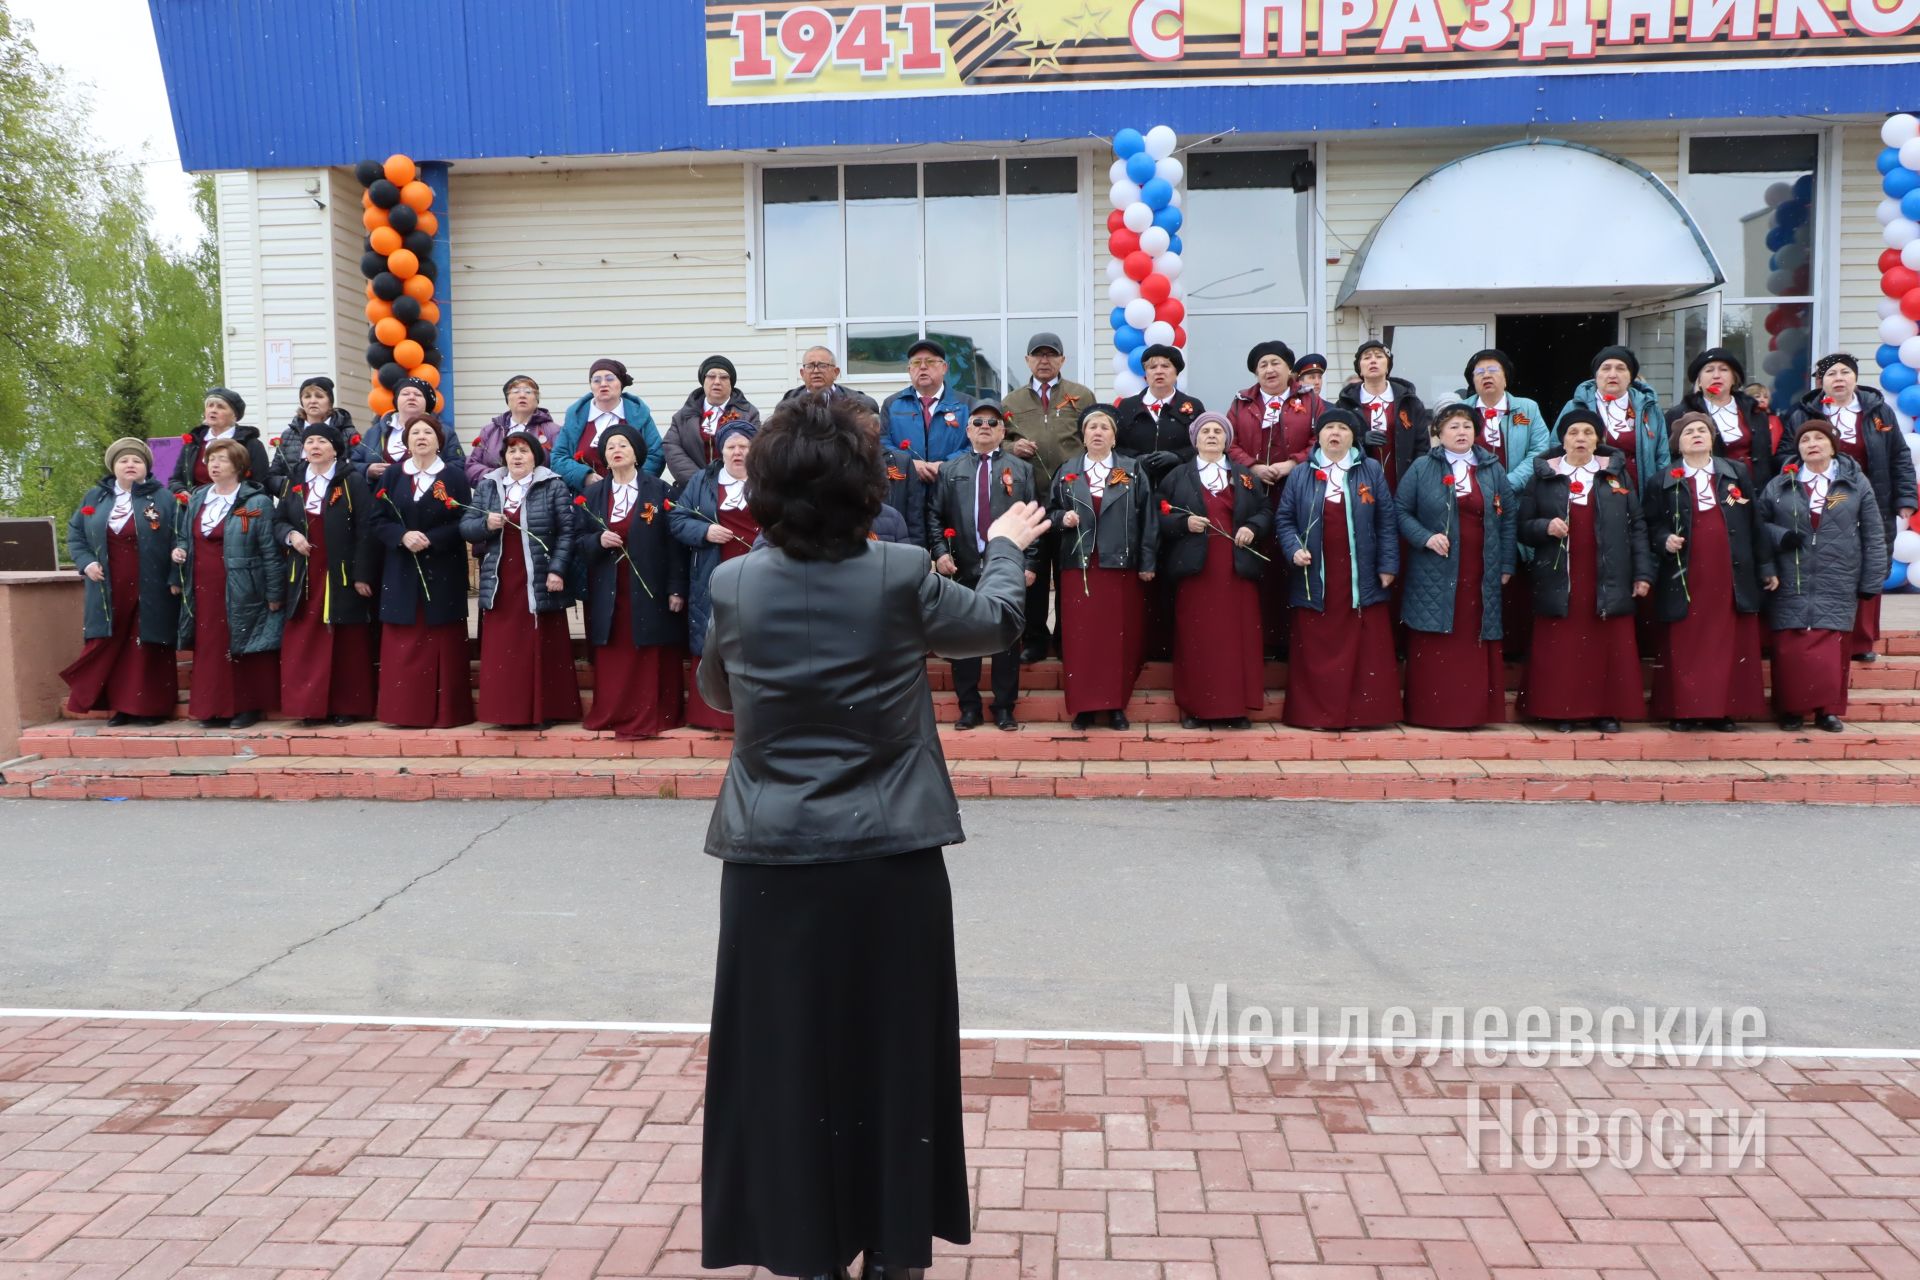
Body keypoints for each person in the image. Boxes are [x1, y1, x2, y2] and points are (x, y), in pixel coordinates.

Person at [696, 391, 1046, 1280]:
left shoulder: (733, 581)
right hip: (890, 856)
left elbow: (721, 696)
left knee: (785, 1062)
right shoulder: (897, 571)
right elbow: (998, 624)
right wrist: (1004, 548)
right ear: (864, 487)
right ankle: (893, 1248)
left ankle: (805, 1247)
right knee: (894, 1059)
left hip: (771, 860)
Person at [1517, 409, 1652, 733]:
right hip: (1560, 575)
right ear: (1562, 439)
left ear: (1598, 440)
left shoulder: (1616, 476)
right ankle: (1561, 709)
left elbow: (1637, 526)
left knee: (1606, 645)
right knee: (1563, 646)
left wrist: (1643, 573)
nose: (1580, 438)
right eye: (1574, 432)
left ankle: (1605, 711)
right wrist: (1544, 526)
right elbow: (1522, 527)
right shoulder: (1545, 475)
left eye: (1588, 433)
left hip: (1607, 574)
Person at [1778, 353, 1918, 663]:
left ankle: (1861, 641)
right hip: (1822, 503)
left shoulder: (1878, 411)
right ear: (1821, 382)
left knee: (1871, 563)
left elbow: (1899, 456)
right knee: (1830, 567)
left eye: (1845, 372)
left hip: (1874, 502)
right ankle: (1830, 636)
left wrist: (1906, 499)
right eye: (1831, 374)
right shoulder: (1803, 414)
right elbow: (1784, 457)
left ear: (1855, 378)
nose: (1838, 378)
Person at [1646, 413, 1776, 731]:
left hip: (1729, 567)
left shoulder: (1734, 473)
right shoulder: (1662, 479)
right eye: (1689, 431)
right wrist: (1665, 539)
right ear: (1678, 442)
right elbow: (1650, 524)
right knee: (1687, 639)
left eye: (1703, 429)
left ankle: (1723, 710)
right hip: (1686, 571)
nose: (1697, 435)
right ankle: (1684, 710)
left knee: (1728, 639)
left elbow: (1752, 521)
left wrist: (1766, 565)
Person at [1275, 408, 1401, 731]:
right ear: (1318, 436)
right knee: (1318, 645)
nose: (1335, 433)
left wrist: (1388, 564)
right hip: (1316, 576)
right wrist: (1293, 549)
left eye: (1342, 429)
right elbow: (1285, 520)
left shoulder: (1370, 470)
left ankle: (1362, 715)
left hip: (1360, 575)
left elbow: (1386, 521)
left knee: (1363, 646)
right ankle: (1316, 716)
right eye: (1329, 428)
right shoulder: (1301, 474)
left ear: (1352, 437)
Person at [1760, 417, 1888, 732]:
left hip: (1838, 574)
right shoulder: (1781, 483)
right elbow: (1757, 524)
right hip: (1792, 573)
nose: (1812, 444)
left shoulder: (1854, 484)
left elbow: (1874, 533)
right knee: (1791, 645)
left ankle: (1826, 711)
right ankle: (1790, 709)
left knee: (1832, 646)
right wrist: (1781, 536)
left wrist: (1872, 579)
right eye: (1805, 440)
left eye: (1819, 438)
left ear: (1833, 445)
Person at [1397, 403, 1517, 730]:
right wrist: (1425, 537)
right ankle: (1432, 712)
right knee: (1437, 634)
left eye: (1466, 425)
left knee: (1472, 633)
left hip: (1481, 567)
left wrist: (1506, 562)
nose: (1461, 432)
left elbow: (1508, 518)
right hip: (1435, 566)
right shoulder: (1423, 467)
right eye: (1452, 427)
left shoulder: (1493, 468)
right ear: (1438, 433)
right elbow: (1401, 511)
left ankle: (1472, 713)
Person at [925, 398, 1039, 730]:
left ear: (1003, 430)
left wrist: (1030, 562)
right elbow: (934, 515)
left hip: (1006, 567)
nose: (985, 428)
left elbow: (1032, 517)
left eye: (992, 422)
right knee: (964, 637)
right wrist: (939, 552)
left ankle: (1004, 706)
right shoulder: (951, 469)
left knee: (1005, 637)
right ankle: (969, 707)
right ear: (967, 430)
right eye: (978, 422)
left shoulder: (1021, 470)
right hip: (962, 565)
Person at [1047, 404, 1157, 731]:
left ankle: (1116, 706)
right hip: (1077, 567)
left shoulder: (1132, 470)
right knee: (1082, 640)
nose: (1097, 432)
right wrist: (1061, 519)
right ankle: (1083, 707)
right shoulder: (1068, 470)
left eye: (1104, 427)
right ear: (1082, 436)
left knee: (1116, 639)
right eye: (1092, 427)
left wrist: (1147, 562)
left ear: (1114, 436)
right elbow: (1049, 512)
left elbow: (1148, 519)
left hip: (1119, 567)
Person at [1158, 412, 1271, 729]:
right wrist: (1184, 522)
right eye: (1205, 431)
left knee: (1238, 638)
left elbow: (1265, 510)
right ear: (1194, 439)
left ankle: (1236, 708)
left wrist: (1252, 526)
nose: (1211, 435)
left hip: (1236, 570)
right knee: (1198, 638)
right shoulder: (1177, 477)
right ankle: (1197, 708)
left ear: (1227, 440)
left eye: (1218, 431)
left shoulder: (1245, 476)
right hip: (1196, 571)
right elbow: (1158, 515)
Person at [463, 429, 582, 730]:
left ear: (535, 456)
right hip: (502, 578)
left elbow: (567, 532)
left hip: (539, 576)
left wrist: (557, 569)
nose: (517, 456)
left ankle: (545, 710)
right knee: (505, 647)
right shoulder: (489, 486)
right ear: (503, 456)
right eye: (511, 450)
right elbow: (466, 528)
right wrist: (485, 524)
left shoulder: (552, 485)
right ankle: (506, 713)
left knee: (541, 642)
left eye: (523, 450)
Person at [60, 438, 180, 726]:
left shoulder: (163, 499)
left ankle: (151, 709)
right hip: (107, 587)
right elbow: (76, 534)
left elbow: (180, 537)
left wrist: (175, 576)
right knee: (113, 643)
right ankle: (121, 708)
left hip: (150, 585)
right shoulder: (95, 498)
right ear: (113, 466)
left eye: (137, 461)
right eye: (124, 460)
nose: (130, 465)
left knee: (145, 645)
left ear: (146, 468)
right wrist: (87, 563)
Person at [579, 423, 687, 740]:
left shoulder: (659, 491)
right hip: (609, 588)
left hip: (650, 587)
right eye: (610, 446)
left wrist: (676, 587)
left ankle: (654, 713)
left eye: (623, 444)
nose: (616, 450)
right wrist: (598, 541)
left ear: (636, 454)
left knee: (650, 648)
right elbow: (577, 542)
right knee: (617, 649)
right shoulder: (592, 495)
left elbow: (675, 545)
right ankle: (614, 712)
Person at [369, 414, 475, 729]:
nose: (421, 437)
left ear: (439, 440)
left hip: (443, 568)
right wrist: (401, 536)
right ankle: (404, 712)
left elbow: (465, 521)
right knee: (404, 642)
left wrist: (434, 539)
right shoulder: (392, 475)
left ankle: (446, 713)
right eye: (415, 432)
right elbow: (377, 519)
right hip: (402, 570)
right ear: (405, 439)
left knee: (441, 640)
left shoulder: (455, 476)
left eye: (428, 432)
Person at [173, 438, 284, 729]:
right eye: (211, 460)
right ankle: (211, 708)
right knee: (209, 646)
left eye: (222, 459)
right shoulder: (198, 497)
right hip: (202, 585)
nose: (214, 465)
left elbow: (270, 551)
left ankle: (245, 708)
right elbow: (185, 534)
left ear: (238, 465)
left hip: (242, 584)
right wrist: (180, 548)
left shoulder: (256, 502)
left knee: (241, 642)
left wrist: (274, 592)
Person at [274, 420, 379, 727]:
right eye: (310, 442)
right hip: (304, 573)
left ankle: (345, 706)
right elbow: (279, 521)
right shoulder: (295, 481)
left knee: (344, 640)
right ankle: (308, 706)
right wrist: (292, 536)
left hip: (340, 572)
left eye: (322, 441)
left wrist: (362, 574)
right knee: (306, 639)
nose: (315, 446)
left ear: (335, 449)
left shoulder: (351, 481)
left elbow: (366, 529)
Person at [1002, 331, 1096, 662]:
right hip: (1030, 501)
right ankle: (1036, 639)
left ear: (1062, 360)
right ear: (1027, 360)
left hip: (1072, 500)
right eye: (1038, 355)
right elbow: (998, 441)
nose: (1044, 360)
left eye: (1051, 354)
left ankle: (1067, 638)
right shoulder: (1012, 401)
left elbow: (1095, 434)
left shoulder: (1081, 395)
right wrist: (1013, 447)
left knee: (1070, 572)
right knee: (1036, 574)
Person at [670, 419, 760, 732]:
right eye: (731, 447)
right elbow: (677, 519)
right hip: (714, 570)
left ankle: (754, 714)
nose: (738, 452)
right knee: (715, 635)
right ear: (720, 451)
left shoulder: (768, 480)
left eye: (744, 446)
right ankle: (712, 714)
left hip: (758, 573)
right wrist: (705, 530)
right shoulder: (702, 481)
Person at [1557, 346, 1669, 492]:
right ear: (1596, 375)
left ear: (1631, 377)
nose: (1612, 374)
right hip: (1589, 491)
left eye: (1621, 368)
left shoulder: (1650, 408)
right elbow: (1556, 448)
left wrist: (1659, 493)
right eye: (1606, 368)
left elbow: (1662, 456)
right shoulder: (1576, 406)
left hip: (1640, 491)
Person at [554, 358, 666, 493]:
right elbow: (558, 457)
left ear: (621, 383)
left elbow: (656, 454)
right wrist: (584, 476)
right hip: (586, 495)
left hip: (633, 494)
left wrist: (635, 481)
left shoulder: (640, 415)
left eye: (610, 379)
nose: (603, 384)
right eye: (596, 380)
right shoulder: (575, 417)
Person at [1666, 347, 1771, 489]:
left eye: (1723, 369)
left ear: (1734, 378)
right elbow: (1671, 459)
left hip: (1754, 492)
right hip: (1707, 492)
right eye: (1709, 370)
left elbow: (1767, 457)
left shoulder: (1755, 412)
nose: (1716, 375)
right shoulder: (1680, 415)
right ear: (1700, 381)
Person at [1336, 340, 1429, 489]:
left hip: (1404, 483)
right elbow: (1335, 443)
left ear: (1388, 367)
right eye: (1366, 358)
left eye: (1379, 356)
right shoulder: (1345, 405)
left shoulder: (1410, 402)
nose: (1373, 360)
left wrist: (1414, 479)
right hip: (1359, 484)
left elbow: (1422, 447)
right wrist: (1359, 440)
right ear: (1360, 369)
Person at [882, 339, 976, 485]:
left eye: (930, 361)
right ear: (909, 370)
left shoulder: (967, 404)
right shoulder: (892, 404)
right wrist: (909, 464)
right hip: (906, 487)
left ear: (944, 368)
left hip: (952, 486)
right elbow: (882, 444)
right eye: (916, 363)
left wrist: (945, 466)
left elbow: (976, 445)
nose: (923, 367)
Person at [1457, 349, 1552, 494]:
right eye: (1480, 372)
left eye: (1493, 370)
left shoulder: (1527, 408)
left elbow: (1540, 450)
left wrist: (1509, 483)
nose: (1486, 375)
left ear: (1506, 379)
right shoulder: (1459, 411)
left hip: (1516, 497)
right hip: (1470, 496)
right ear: (1473, 381)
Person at [663, 355, 761, 485]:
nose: (717, 382)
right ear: (703, 381)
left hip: (736, 486)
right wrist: (699, 482)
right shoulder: (683, 416)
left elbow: (756, 449)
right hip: (693, 486)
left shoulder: (748, 414)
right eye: (711, 376)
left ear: (731, 383)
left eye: (724, 377)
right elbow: (672, 448)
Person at [1114, 344, 1204, 485]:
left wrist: (1178, 456)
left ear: (1176, 372)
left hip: (1181, 483)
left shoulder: (1193, 406)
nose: (1159, 371)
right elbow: (1116, 445)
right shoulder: (1127, 406)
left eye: (1165, 366)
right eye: (1152, 367)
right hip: (1136, 485)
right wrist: (1136, 459)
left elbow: (1203, 445)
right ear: (1145, 374)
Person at [171, 387, 272, 499]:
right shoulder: (193, 443)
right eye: (210, 405)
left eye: (220, 407)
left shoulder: (250, 444)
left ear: (234, 415)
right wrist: (182, 491)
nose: (213, 410)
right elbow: (176, 479)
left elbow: (262, 486)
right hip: (195, 507)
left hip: (237, 509)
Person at [269, 376, 362, 496]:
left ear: (330, 402)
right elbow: (273, 475)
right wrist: (290, 488)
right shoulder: (289, 435)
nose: (313, 401)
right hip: (297, 501)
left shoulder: (346, 432)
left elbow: (357, 467)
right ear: (302, 401)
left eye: (319, 396)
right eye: (307, 396)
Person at [363, 376, 464, 484]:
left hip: (430, 495)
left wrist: (433, 473)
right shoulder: (375, 432)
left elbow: (458, 464)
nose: (411, 397)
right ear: (396, 399)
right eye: (405, 394)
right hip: (381, 496)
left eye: (418, 394)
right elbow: (353, 462)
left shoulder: (444, 432)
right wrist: (368, 469)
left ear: (427, 403)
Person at [466, 375, 562, 487]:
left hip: (539, 495)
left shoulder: (554, 431)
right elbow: (471, 467)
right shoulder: (489, 431)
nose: (522, 395)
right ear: (508, 400)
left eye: (528, 392)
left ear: (536, 401)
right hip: (496, 494)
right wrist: (498, 477)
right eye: (516, 391)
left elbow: (561, 467)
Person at [778, 345, 880, 415]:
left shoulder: (858, 403)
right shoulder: (789, 403)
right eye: (810, 366)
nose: (816, 371)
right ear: (802, 373)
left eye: (823, 366)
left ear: (836, 372)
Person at [1744, 381, 1786, 459]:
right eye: (1757, 396)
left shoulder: (1775, 419)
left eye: (1765, 397)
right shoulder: (1742, 418)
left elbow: (1780, 444)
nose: (1762, 399)